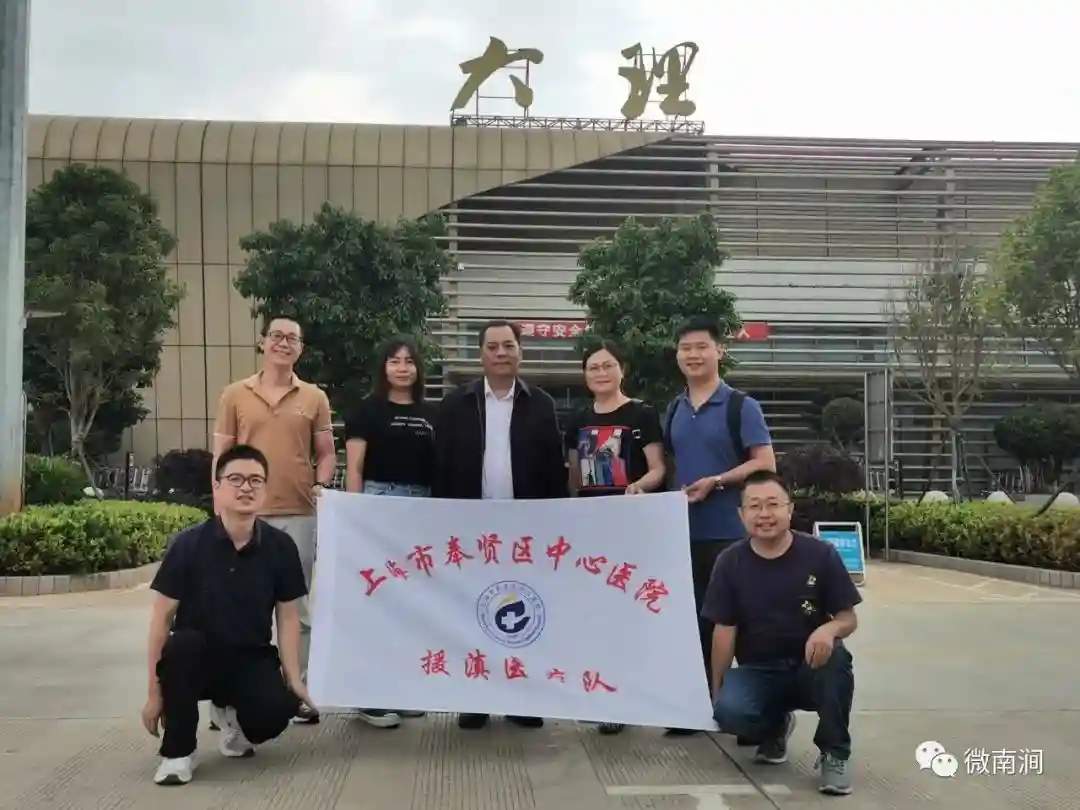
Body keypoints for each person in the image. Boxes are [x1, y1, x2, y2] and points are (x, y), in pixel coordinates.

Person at [142, 444, 315, 786]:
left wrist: (294, 679)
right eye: (236, 479)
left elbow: (288, 617)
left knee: (276, 712)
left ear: (265, 490)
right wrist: (153, 693)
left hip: (250, 656)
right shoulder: (188, 544)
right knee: (182, 647)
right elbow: (160, 621)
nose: (246, 487)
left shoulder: (281, 547)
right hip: (196, 659)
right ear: (217, 487)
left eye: (255, 480)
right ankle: (178, 752)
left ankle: (233, 719)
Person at [433, 318, 568, 730]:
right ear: (481, 355)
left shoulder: (540, 403)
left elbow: (554, 468)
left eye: (508, 345)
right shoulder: (456, 404)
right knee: (472, 610)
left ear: (520, 351)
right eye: (492, 347)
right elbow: (441, 466)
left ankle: (520, 699)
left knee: (522, 613)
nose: (501, 353)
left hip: (524, 530)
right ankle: (475, 699)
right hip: (470, 529)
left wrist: (554, 525)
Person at [703, 470, 859, 796]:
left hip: (810, 667)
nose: (764, 514)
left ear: (790, 509)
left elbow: (848, 618)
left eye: (773, 504)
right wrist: (717, 690)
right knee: (730, 712)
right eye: (754, 506)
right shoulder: (730, 562)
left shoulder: (820, 554)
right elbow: (724, 630)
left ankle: (835, 753)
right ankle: (775, 727)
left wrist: (829, 629)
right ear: (741, 514)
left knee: (837, 661)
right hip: (760, 670)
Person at [212, 316, 336, 725]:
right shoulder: (235, 394)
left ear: (301, 348)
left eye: (292, 339)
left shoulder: (314, 397)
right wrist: (220, 504)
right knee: (240, 609)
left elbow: (327, 453)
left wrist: (320, 483)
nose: (284, 343)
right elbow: (222, 456)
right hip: (244, 516)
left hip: (299, 513)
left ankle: (297, 690)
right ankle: (230, 695)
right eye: (277, 336)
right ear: (262, 342)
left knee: (296, 609)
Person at [663, 315, 775, 735]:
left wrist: (718, 480)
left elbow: (765, 462)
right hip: (683, 534)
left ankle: (753, 713)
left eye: (701, 347)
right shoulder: (674, 409)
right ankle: (698, 708)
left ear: (718, 351)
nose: (693, 355)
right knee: (693, 625)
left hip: (729, 534)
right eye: (685, 348)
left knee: (740, 626)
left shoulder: (740, 406)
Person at [564, 340, 666, 735]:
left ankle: (627, 697)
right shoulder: (577, 418)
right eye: (593, 367)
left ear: (622, 370)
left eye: (608, 366)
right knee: (595, 614)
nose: (601, 373)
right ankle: (600, 693)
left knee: (627, 611)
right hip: (591, 529)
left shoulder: (642, 414)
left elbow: (658, 468)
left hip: (631, 526)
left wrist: (639, 487)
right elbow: (574, 475)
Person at [342, 336, 437, 729]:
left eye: (409, 361)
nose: (402, 368)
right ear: (383, 367)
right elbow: (355, 467)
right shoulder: (366, 411)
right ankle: (368, 695)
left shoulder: (432, 413)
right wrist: (355, 515)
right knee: (377, 600)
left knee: (408, 603)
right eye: (395, 361)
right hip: (379, 502)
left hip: (421, 507)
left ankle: (400, 689)